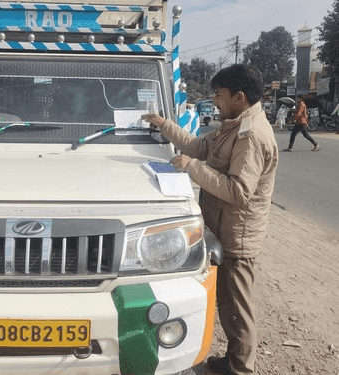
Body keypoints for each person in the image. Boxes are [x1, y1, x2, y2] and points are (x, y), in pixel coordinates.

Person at [142, 64, 279, 375]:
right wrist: (163, 123)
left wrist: (192, 168)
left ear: (239, 97)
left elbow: (238, 191)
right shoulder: (233, 124)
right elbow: (198, 146)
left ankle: (242, 368)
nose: (215, 101)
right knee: (227, 304)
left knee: (237, 306)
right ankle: (232, 360)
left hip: (238, 235)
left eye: (219, 95)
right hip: (223, 228)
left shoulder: (251, 135)